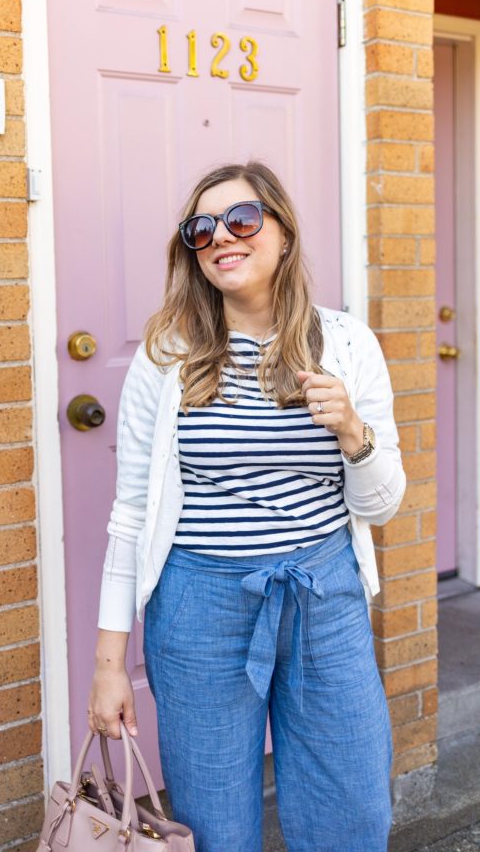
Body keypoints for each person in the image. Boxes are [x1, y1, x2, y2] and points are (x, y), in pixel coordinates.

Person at [88, 161, 406, 852]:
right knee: (210, 818)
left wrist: (353, 432)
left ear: (283, 232)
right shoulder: (166, 354)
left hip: (322, 591)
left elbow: (381, 505)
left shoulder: (345, 344)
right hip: (199, 601)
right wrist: (109, 665)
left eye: (242, 219)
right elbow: (131, 515)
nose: (220, 238)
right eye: (200, 229)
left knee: (348, 803)